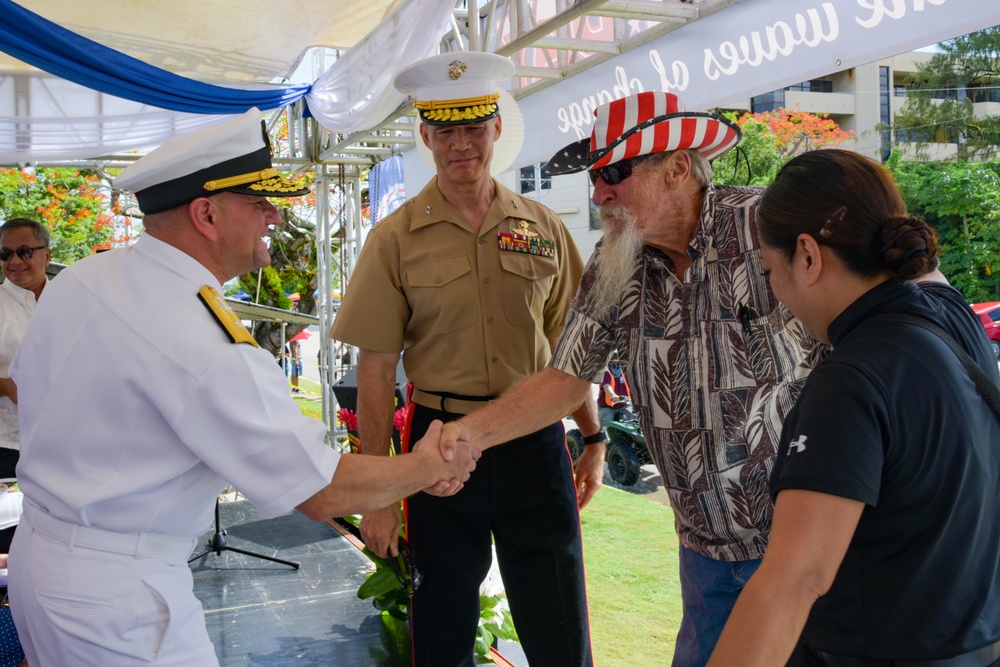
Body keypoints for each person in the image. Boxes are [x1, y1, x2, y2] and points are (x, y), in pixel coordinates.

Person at [7, 108, 478, 667]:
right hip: (118, 595)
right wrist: (428, 466)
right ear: (206, 214)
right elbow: (321, 490)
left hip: (43, 557)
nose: (273, 217)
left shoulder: (86, 277)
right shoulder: (198, 336)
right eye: (258, 203)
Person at [438, 90, 828, 667]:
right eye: (597, 177)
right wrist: (464, 437)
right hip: (703, 555)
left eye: (616, 173)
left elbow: (883, 311)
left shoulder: (766, 224)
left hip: (805, 550)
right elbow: (566, 378)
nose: (599, 194)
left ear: (676, 167)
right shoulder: (615, 260)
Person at [330, 52, 602, 667]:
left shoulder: (543, 227)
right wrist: (378, 492)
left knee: (557, 614)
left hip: (535, 441)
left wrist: (592, 436)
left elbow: (571, 351)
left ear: (497, 128)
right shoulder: (393, 238)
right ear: (425, 135)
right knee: (444, 617)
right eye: (445, 131)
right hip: (440, 444)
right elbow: (376, 370)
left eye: (474, 127)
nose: (461, 145)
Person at [706, 150, 1000, 667]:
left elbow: (794, 582)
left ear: (809, 255)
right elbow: (922, 270)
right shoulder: (953, 320)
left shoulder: (849, 384)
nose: (775, 292)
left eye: (771, 270)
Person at [0, 218, 51, 480]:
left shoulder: (71, 301)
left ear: (47, 255)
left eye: (25, 251)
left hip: (63, 441)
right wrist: (6, 386)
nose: (15, 261)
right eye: (5, 254)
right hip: (7, 446)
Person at [598, 357, 631, 423]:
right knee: (608, 423)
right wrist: (613, 395)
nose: (616, 365)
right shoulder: (606, 373)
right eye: (613, 363)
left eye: (619, 363)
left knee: (633, 420)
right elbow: (607, 387)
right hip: (607, 407)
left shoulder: (625, 373)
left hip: (623, 406)